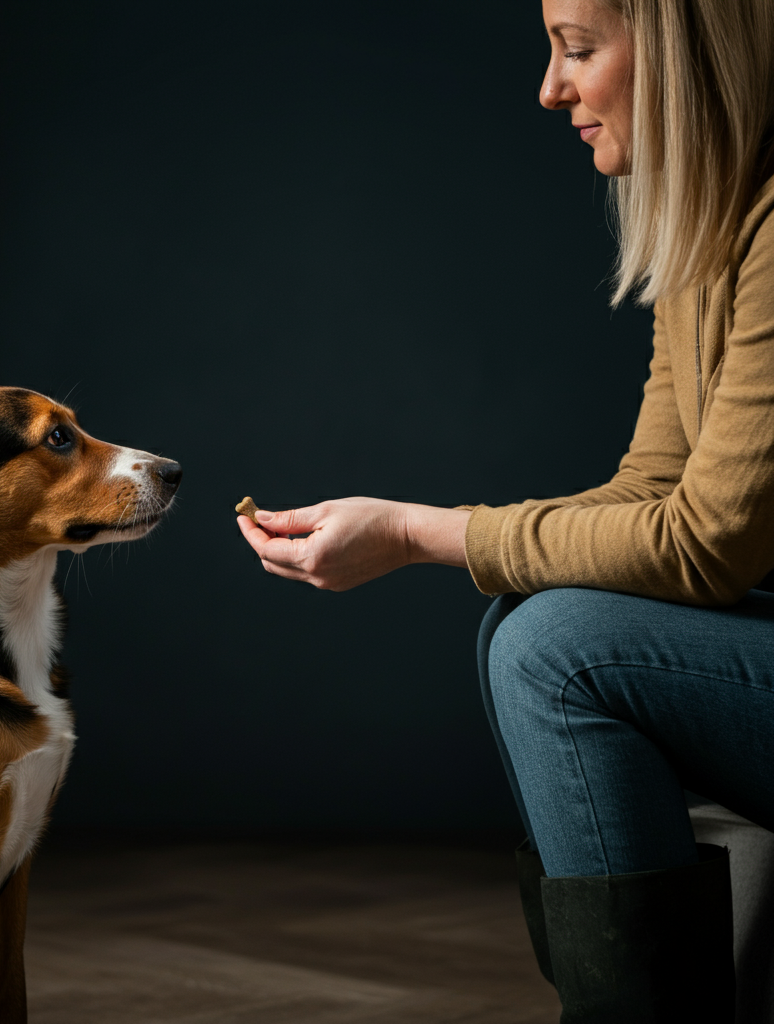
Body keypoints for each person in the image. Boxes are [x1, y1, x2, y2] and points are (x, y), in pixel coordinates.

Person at [236, 0, 774, 1019]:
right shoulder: (716, 230)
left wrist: (414, 533)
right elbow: (647, 496)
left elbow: (708, 543)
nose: (549, 87)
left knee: (552, 646)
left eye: (576, 50)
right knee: (526, 621)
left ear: (684, 49)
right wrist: (444, 537)